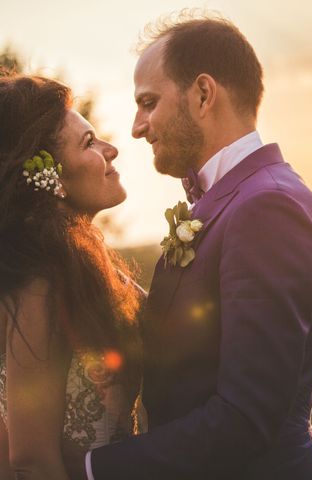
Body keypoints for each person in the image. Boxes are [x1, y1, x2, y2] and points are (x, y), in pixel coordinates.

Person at [75, 12, 312, 480]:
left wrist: (93, 468)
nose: (137, 127)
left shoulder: (268, 208)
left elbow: (246, 417)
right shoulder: (234, 201)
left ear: (202, 94)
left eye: (148, 102)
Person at [0, 75, 144, 480]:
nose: (111, 149)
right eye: (89, 142)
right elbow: (29, 458)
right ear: (53, 181)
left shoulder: (80, 266)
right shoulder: (37, 283)